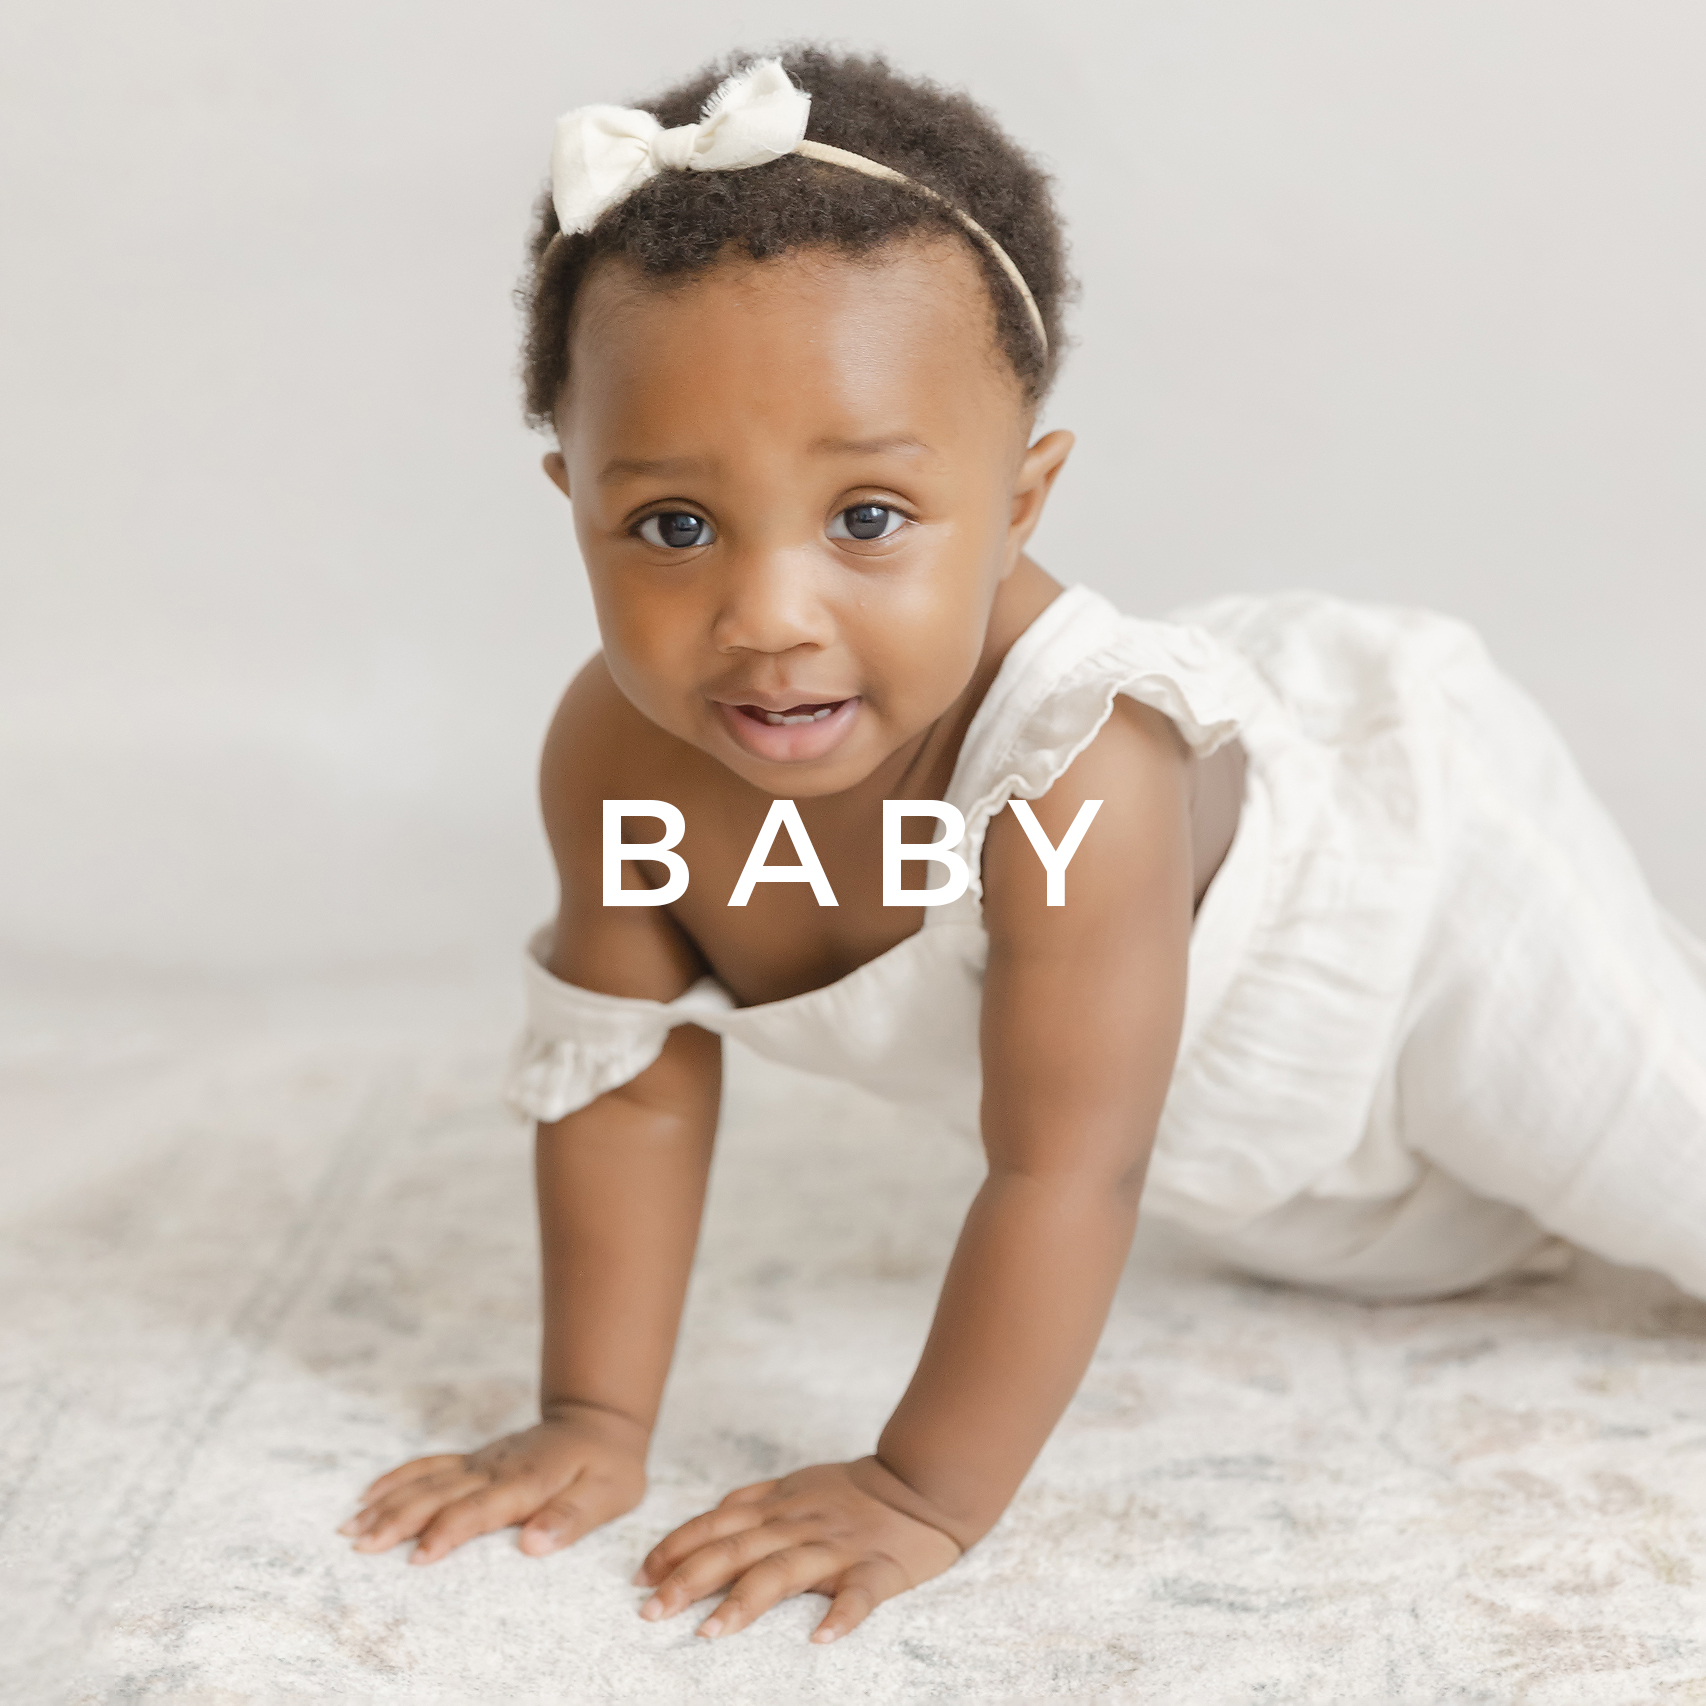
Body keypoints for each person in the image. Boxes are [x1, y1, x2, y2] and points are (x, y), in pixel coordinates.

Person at [338, 46, 1706, 1644]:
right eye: (672, 526)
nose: (767, 617)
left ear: (1020, 499)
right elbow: (628, 1076)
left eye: (866, 517)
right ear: (573, 496)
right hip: (1268, 1182)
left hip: (1417, 929)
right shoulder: (616, 762)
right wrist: (590, 1413)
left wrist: (924, 1486)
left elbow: (1065, 1160)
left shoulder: (1076, 774)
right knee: (1467, 1255)